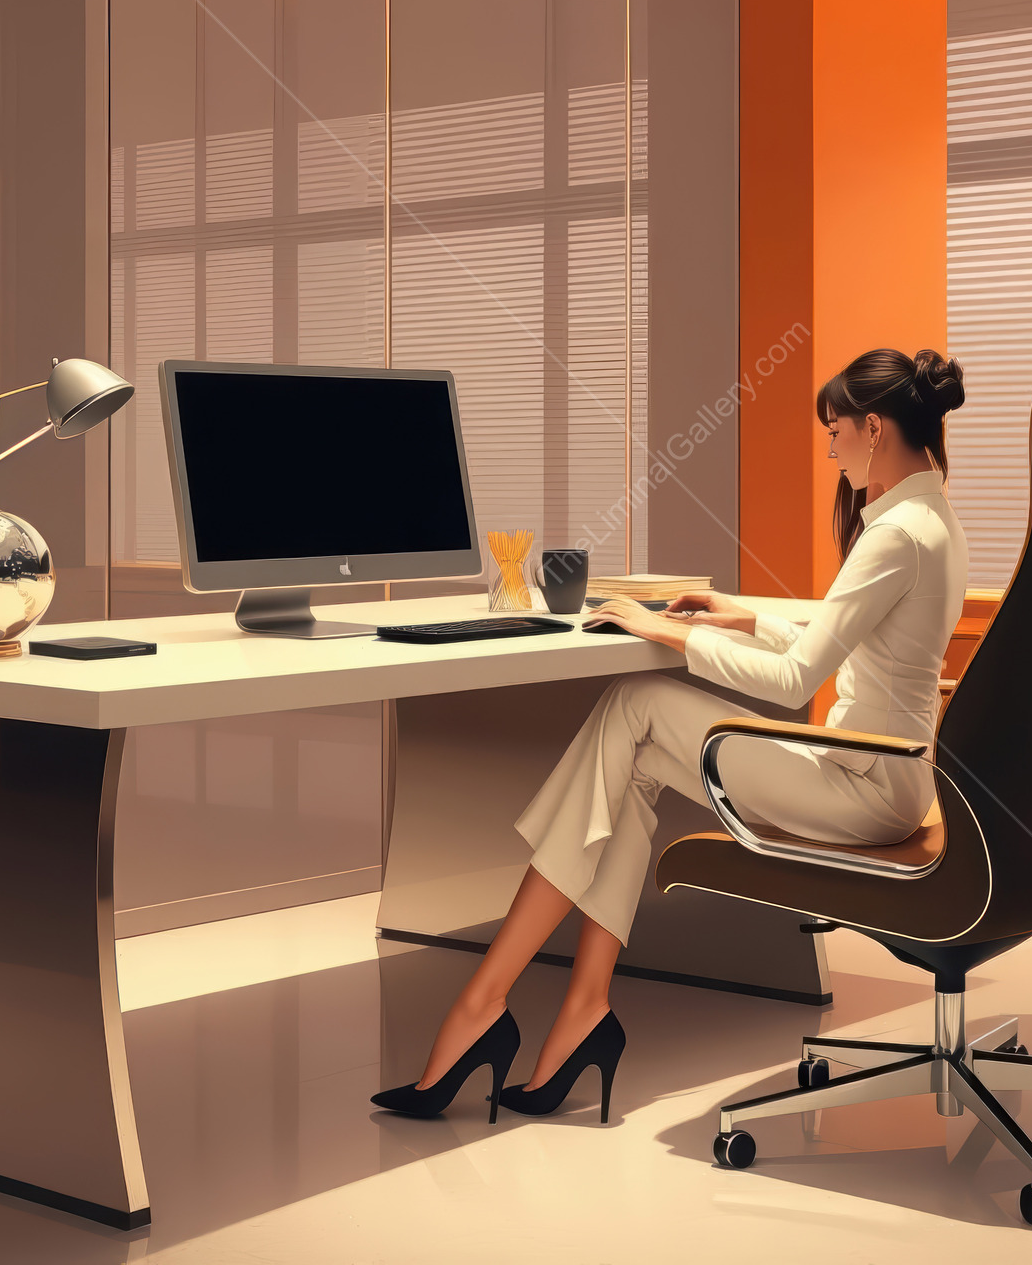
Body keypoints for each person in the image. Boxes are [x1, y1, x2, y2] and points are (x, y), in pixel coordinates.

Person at [371, 346, 969, 1124]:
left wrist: (667, 632)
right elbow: (854, 630)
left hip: (863, 787)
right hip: (884, 776)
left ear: (874, 426)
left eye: (835, 434)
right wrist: (745, 616)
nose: (831, 451)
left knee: (634, 703)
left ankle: (483, 1001)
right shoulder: (930, 517)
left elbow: (795, 682)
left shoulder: (895, 534)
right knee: (635, 761)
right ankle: (583, 1009)